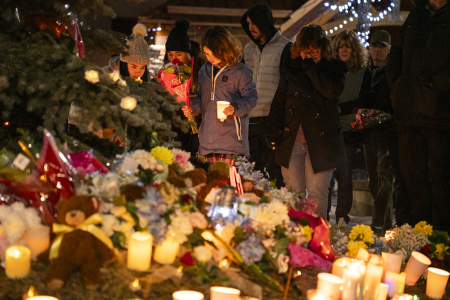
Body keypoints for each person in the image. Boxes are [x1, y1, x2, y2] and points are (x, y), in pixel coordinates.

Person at [265, 24, 347, 217]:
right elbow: (280, 101)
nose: (309, 56)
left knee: (318, 191)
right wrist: (272, 130)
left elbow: (330, 91)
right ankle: (295, 237)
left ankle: (318, 238)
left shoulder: (334, 68)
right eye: (305, 52)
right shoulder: (291, 69)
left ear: (323, 48)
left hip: (322, 141)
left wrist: (311, 68)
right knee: (293, 192)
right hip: (292, 138)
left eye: (314, 52)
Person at [386, 0, 450, 232]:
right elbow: (396, 54)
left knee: (441, 180)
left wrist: (438, 84)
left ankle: (441, 239)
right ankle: (419, 234)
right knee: (411, 177)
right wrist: (397, 86)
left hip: (440, 115)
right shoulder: (416, 15)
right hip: (408, 113)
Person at [182, 26, 257, 165]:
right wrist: (192, 106)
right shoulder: (205, 70)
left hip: (232, 144)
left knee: (232, 185)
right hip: (207, 143)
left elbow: (251, 98)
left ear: (224, 49)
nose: (210, 58)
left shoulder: (241, 71)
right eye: (207, 54)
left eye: (213, 54)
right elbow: (202, 99)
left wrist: (235, 108)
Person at [240, 3, 292, 187]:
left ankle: (274, 211)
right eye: (247, 23)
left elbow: (287, 86)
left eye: (254, 23)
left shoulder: (286, 47)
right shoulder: (247, 49)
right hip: (249, 119)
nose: (250, 28)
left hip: (272, 120)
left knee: (274, 172)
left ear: (264, 22)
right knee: (250, 172)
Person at [359, 30, 405, 232]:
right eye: (374, 46)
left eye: (382, 46)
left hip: (386, 133)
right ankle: (385, 224)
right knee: (374, 181)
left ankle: (378, 223)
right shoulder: (366, 72)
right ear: (369, 48)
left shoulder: (392, 73)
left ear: (389, 49)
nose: (377, 50)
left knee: (385, 179)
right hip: (369, 133)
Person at [330, 30, 368, 224]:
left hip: (350, 130)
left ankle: (342, 217)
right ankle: (323, 217)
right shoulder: (330, 70)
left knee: (344, 175)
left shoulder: (361, 72)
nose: (343, 49)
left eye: (347, 46)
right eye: (340, 46)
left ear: (354, 49)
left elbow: (363, 99)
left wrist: (340, 108)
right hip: (329, 129)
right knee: (327, 176)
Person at [161, 19, 203, 156]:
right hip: (173, 129)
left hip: (197, 129)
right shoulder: (165, 73)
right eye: (170, 54)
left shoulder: (200, 71)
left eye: (178, 54)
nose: (174, 59)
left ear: (187, 54)